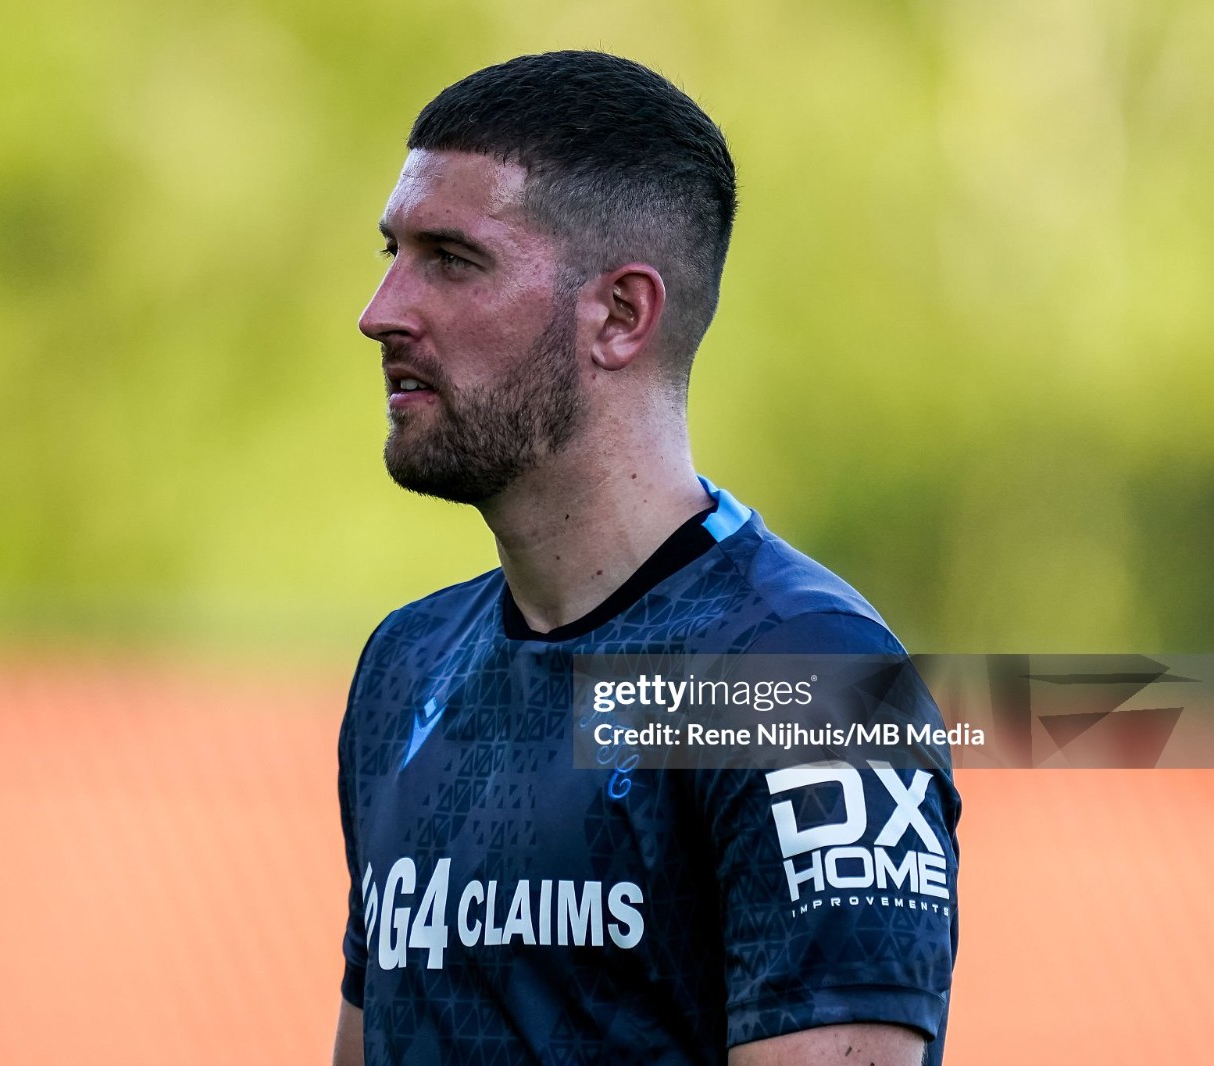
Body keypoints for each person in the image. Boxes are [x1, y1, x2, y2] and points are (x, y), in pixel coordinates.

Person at [334, 51, 959, 1066]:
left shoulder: (799, 681)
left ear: (621, 315)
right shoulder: (405, 666)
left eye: (451, 259)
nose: (381, 311)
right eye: (391, 251)